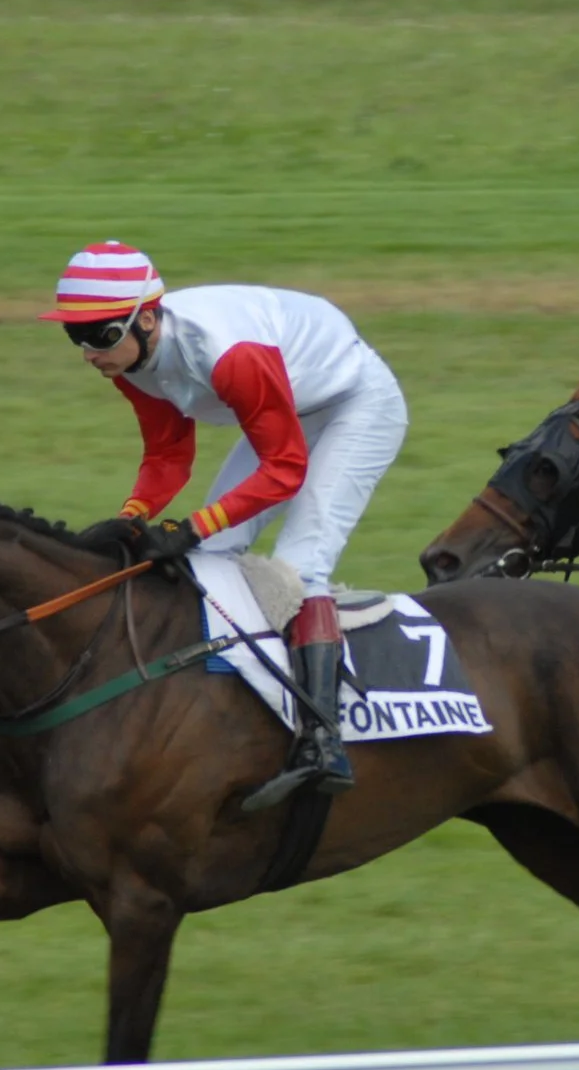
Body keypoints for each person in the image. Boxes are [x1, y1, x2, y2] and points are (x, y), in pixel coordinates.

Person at [45, 241, 407, 806]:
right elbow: (168, 458)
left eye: (99, 335)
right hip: (284, 409)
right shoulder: (130, 361)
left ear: (145, 318)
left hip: (354, 406)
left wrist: (191, 525)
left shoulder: (227, 353)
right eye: (76, 337)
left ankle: (322, 741)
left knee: (297, 565)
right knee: (210, 560)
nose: (89, 353)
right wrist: (131, 517)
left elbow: (284, 469)